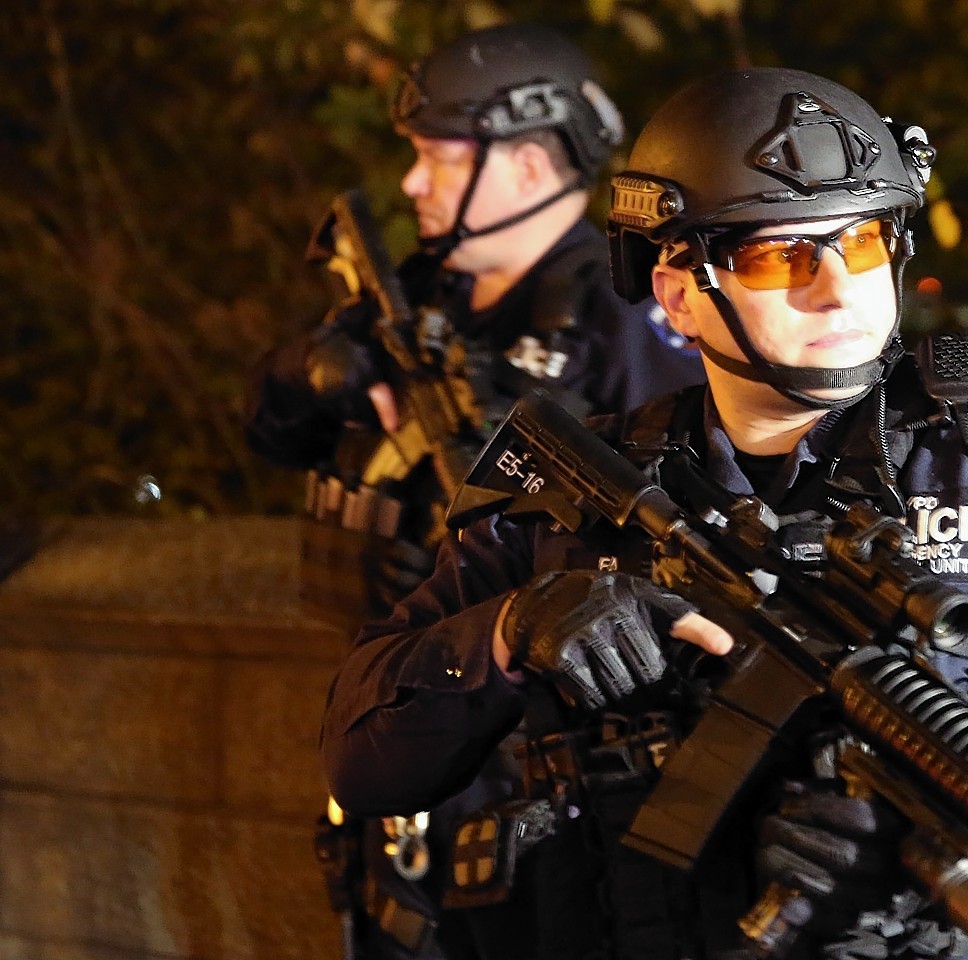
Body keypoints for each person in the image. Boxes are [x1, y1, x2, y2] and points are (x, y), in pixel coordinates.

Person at [320, 66, 968, 960]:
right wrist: (503, 633)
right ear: (679, 295)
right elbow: (360, 761)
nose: (840, 290)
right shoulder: (580, 491)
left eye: (863, 241)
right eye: (781, 255)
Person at [244, 24, 703, 960]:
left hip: (536, 761)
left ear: (531, 166)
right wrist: (309, 370)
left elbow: (683, 550)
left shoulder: (622, 321)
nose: (412, 184)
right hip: (398, 719)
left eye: (439, 160)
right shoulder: (418, 296)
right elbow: (271, 437)